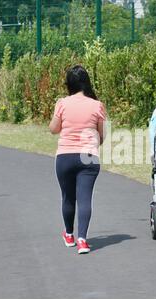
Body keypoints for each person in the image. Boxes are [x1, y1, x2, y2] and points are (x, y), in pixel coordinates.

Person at [49, 65, 106, 254]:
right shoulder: (97, 105)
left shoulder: (62, 103)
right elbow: (102, 137)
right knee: (84, 199)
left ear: (69, 84)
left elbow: (53, 129)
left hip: (65, 156)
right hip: (88, 156)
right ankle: (83, 240)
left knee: (68, 197)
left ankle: (69, 234)